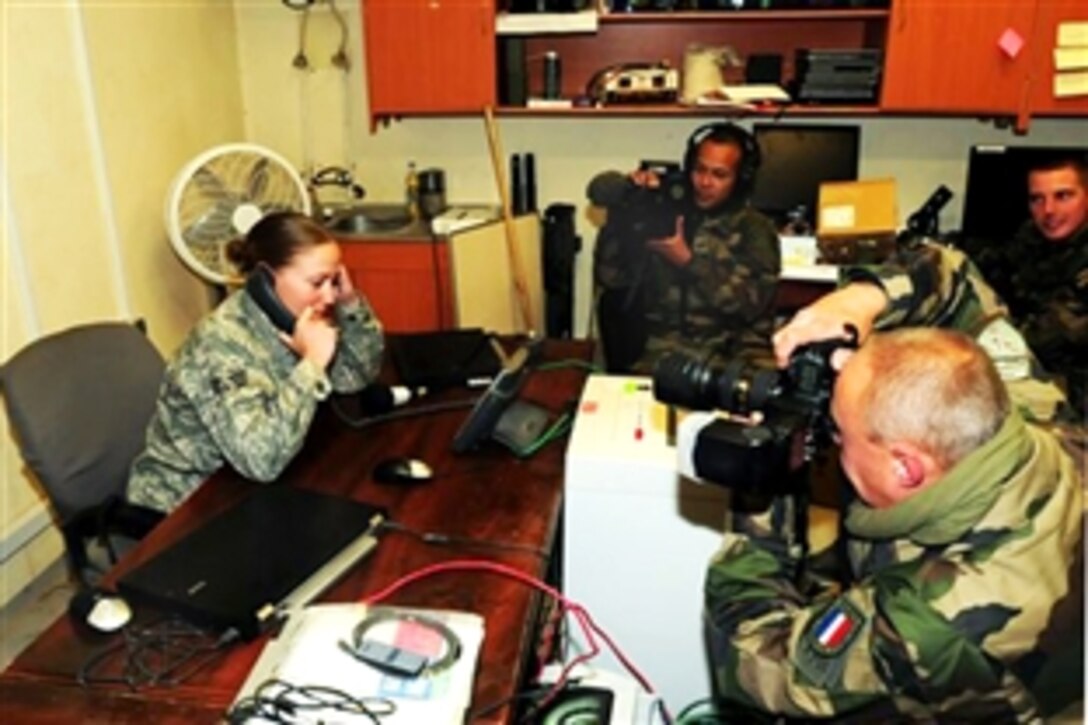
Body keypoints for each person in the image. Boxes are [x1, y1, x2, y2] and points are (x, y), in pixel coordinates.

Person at [705, 328, 1083, 721]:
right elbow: (954, 273)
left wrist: (763, 484)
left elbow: (751, 664)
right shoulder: (1037, 426)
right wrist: (860, 304)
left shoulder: (929, 621)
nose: (830, 440)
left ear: (905, 467)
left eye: (839, 431)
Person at [128, 212, 384, 513]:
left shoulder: (296, 316)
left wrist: (350, 303)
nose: (328, 296)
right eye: (317, 282)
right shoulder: (219, 344)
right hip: (185, 501)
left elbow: (354, 378)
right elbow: (261, 461)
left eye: (334, 280)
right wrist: (312, 364)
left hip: (249, 484)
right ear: (265, 280)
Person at [593, 122, 781, 374]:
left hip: (736, 347)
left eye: (719, 175)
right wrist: (623, 217)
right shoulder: (667, 213)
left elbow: (749, 305)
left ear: (741, 179)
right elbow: (612, 278)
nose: (705, 182)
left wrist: (687, 261)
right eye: (699, 170)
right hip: (669, 345)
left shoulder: (755, 228)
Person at [965, 153, 1088, 416]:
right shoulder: (1036, 237)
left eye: (1063, 196)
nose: (1049, 211)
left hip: (1074, 393)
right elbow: (994, 264)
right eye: (1037, 199)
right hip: (1040, 371)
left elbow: (1049, 334)